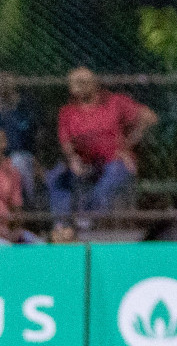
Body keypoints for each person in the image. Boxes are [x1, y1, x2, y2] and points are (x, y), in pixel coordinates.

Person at [47, 67, 158, 241]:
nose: (78, 86)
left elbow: (149, 117)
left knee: (113, 173)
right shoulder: (67, 112)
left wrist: (128, 144)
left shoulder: (114, 102)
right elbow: (66, 143)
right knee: (56, 176)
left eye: (83, 82)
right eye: (74, 83)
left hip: (114, 161)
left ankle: (86, 221)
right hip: (86, 163)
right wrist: (73, 159)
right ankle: (62, 227)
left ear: (94, 83)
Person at [0, 72, 41, 205]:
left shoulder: (25, 106)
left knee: (18, 161)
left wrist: (36, 157)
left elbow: (34, 136)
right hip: (3, 156)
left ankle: (28, 205)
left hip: (23, 156)